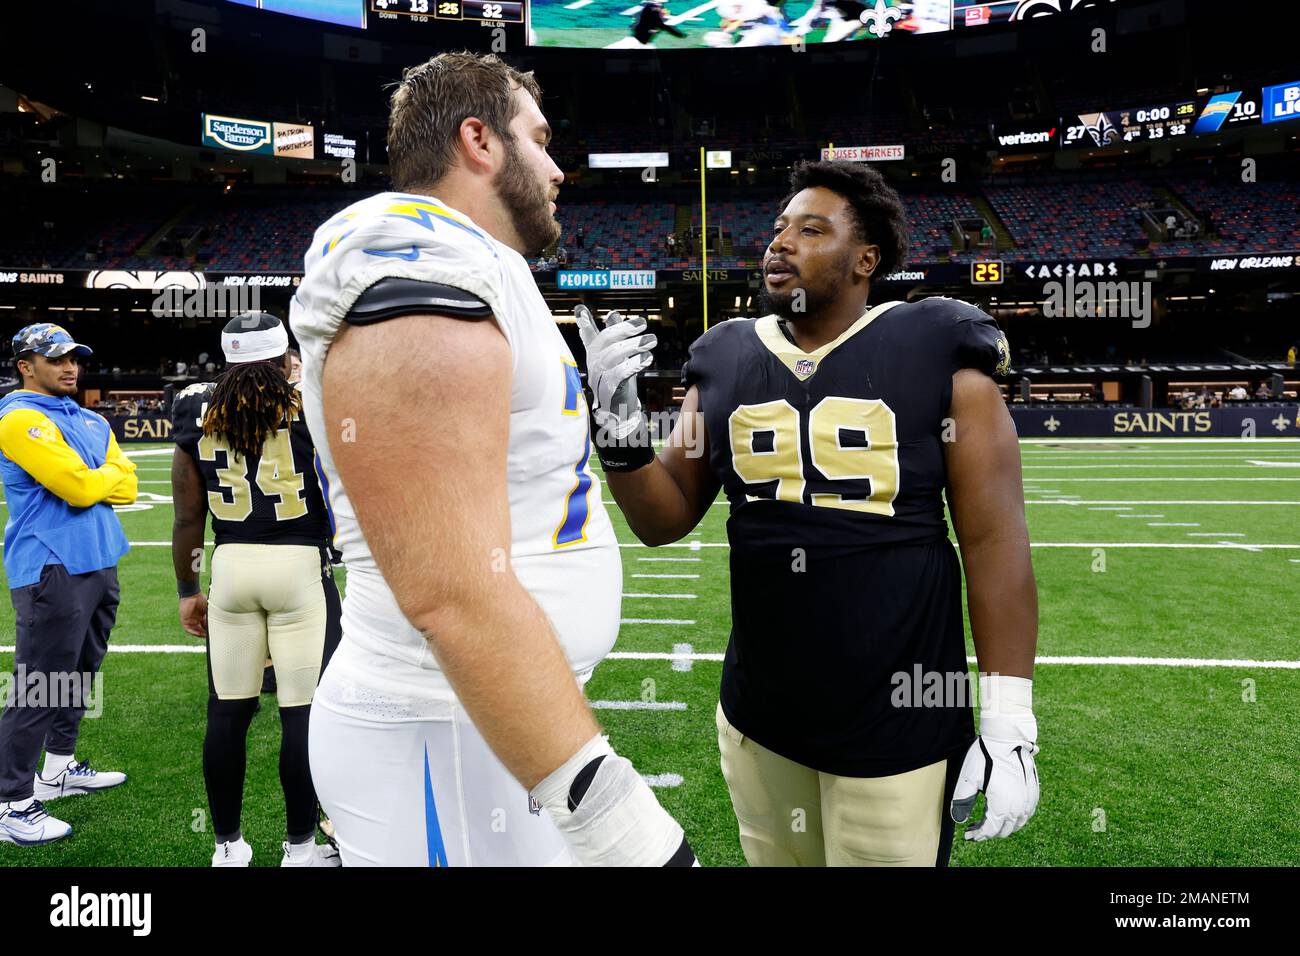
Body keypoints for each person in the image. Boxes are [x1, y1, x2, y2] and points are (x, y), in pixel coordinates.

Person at [289, 52, 693, 867]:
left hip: (481, 724)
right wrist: (605, 807)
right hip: (440, 728)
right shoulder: (411, 248)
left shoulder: (484, 265)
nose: (557, 166)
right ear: (479, 139)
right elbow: (449, 587)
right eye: (539, 140)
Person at [580, 160, 1040, 866]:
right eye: (779, 228)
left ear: (866, 259)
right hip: (759, 714)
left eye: (811, 229)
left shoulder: (936, 348)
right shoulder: (728, 355)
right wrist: (618, 430)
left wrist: (1009, 715)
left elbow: (994, 540)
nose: (781, 242)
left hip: (899, 719)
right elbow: (662, 518)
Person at [170, 313, 341, 868]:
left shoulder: (198, 410)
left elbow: (187, 516)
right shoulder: (308, 403)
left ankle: (228, 847)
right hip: (299, 567)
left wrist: (187, 588)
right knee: (302, 715)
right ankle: (299, 849)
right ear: (283, 354)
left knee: (228, 713)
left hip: (232, 567)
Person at [0, 324, 135, 847]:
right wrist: (99, 479)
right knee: (37, 686)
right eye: (54, 359)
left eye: (74, 358)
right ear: (24, 366)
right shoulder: (19, 419)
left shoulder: (89, 417)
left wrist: (94, 481)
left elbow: (130, 484)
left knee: (80, 676)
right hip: (51, 565)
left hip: (101, 559)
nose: (69, 367)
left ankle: (55, 773)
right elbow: (81, 489)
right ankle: (11, 802)